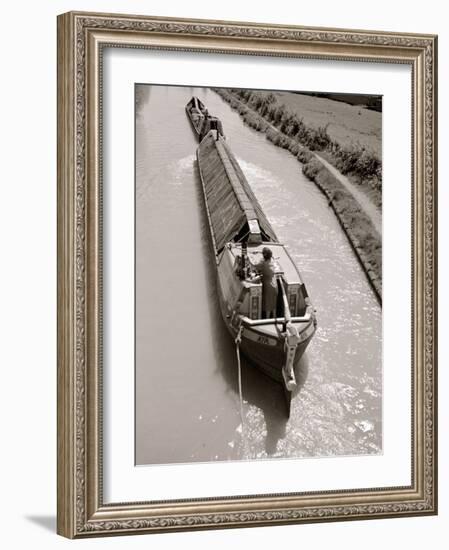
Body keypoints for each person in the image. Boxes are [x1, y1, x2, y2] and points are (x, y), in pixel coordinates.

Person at [253, 247, 278, 319]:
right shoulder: (271, 260)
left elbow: (254, 265)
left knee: (268, 305)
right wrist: (258, 252)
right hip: (274, 284)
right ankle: (275, 318)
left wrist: (248, 259)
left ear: (264, 255)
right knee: (273, 304)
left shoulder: (263, 263)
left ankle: (267, 319)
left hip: (268, 286)